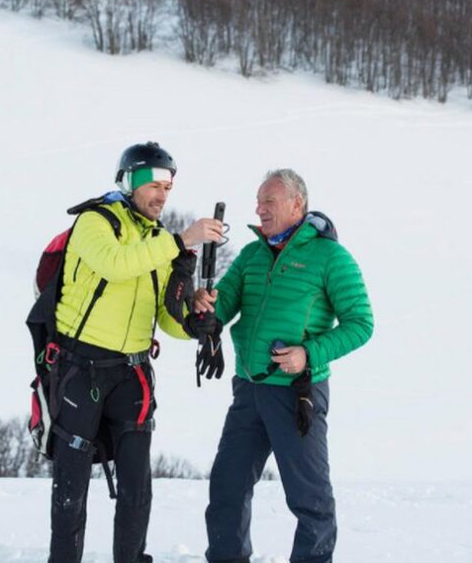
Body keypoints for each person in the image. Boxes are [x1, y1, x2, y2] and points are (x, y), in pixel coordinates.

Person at [47, 142, 224, 563]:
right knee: (71, 485)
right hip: (81, 367)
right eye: (154, 185)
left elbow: (164, 315)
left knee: (136, 486)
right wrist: (181, 240)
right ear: (130, 182)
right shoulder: (94, 222)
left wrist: (194, 323)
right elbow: (115, 264)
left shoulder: (157, 240)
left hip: (133, 374)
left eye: (168, 187)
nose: (162, 195)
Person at [195, 169, 374, 563]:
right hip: (249, 390)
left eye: (269, 202)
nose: (259, 209)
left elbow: (362, 324)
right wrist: (207, 314)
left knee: (309, 498)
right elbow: (223, 304)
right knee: (227, 486)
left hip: (297, 395)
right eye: (258, 201)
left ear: (297, 205)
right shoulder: (253, 254)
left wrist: (308, 353)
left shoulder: (331, 258)